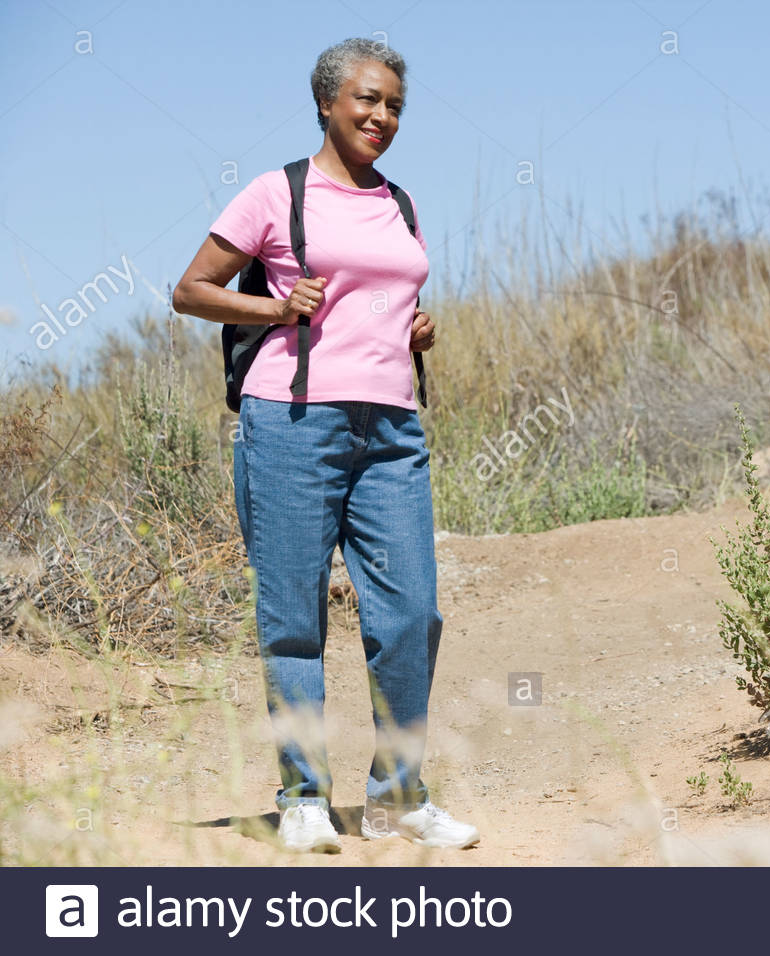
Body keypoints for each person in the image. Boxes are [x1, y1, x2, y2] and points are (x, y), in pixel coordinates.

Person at [172, 37, 478, 853]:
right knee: (293, 619)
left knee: (412, 613)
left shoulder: (401, 204)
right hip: (292, 424)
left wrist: (413, 326)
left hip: (391, 430)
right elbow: (189, 290)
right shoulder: (277, 194)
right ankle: (304, 798)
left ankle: (397, 799)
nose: (382, 117)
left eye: (395, 107)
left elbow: (382, 295)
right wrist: (275, 309)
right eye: (367, 101)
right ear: (327, 103)